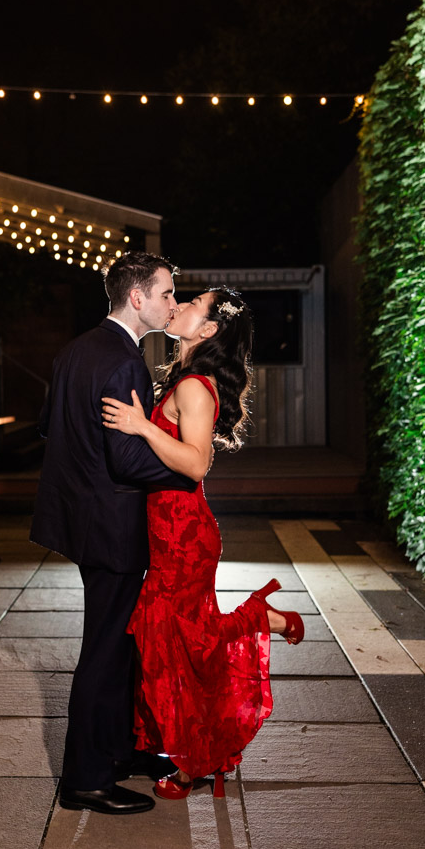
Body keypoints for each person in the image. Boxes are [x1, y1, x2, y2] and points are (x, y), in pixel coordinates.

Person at [102, 287, 304, 800]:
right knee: (178, 643)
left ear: (208, 329)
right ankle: (190, 753)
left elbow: (195, 463)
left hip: (184, 531)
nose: (182, 305)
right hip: (172, 528)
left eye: (193, 303)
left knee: (182, 645)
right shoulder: (184, 377)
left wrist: (139, 427)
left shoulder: (194, 386)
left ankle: (193, 762)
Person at [30, 252, 199, 816]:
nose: (173, 303)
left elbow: (48, 426)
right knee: (104, 651)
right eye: (168, 293)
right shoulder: (125, 362)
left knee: (119, 644)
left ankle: (119, 751)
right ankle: (86, 779)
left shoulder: (76, 349)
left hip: (85, 518)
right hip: (113, 525)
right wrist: (188, 468)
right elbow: (128, 461)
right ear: (138, 298)